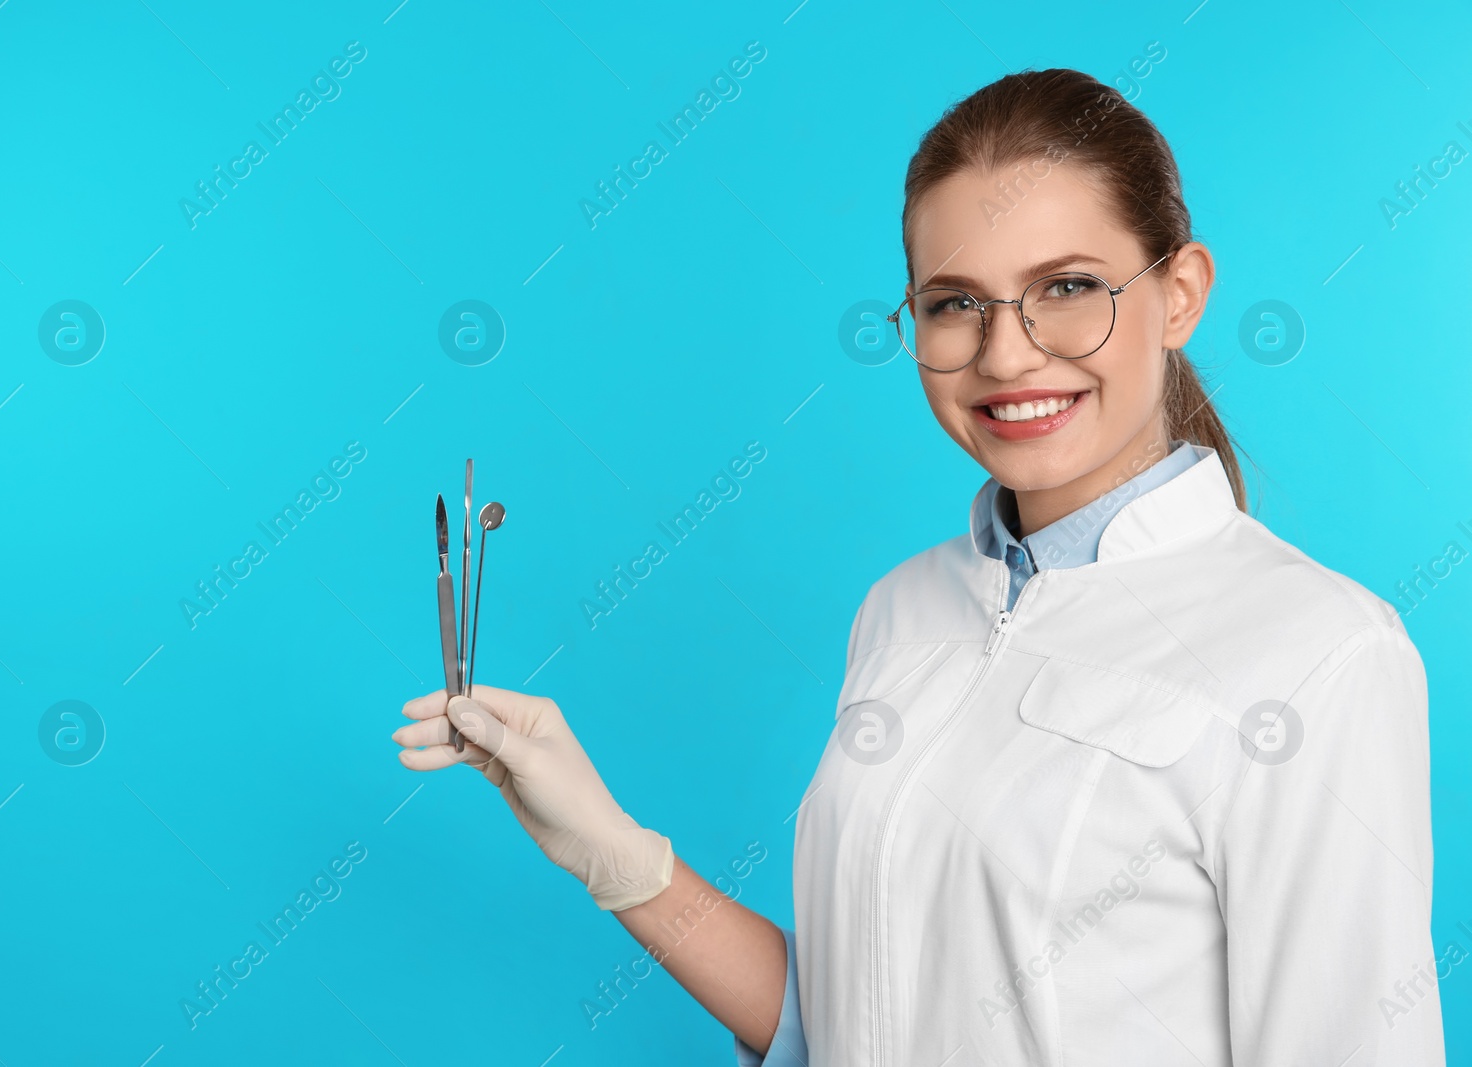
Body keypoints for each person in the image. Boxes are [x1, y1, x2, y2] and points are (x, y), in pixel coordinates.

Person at [393, 67, 1444, 1066]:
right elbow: (848, 1022)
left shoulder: (1317, 653)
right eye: (954, 302)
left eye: (1067, 286)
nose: (1006, 353)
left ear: (1179, 293)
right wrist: (613, 851)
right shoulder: (903, 607)